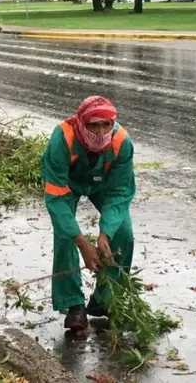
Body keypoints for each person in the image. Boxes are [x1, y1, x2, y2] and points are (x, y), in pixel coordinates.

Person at [40, 95, 135, 331]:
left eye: (106, 124)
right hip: (68, 185)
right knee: (65, 235)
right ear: (81, 123)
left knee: (123, 233)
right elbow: (57, 197)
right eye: (93, 125)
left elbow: (120, 191)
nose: (101, 131)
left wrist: (105, 233)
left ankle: (105, 299)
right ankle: (73, 304)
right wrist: (82, 242)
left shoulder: (122, 141)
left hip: (102, 183)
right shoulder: (62, 139)